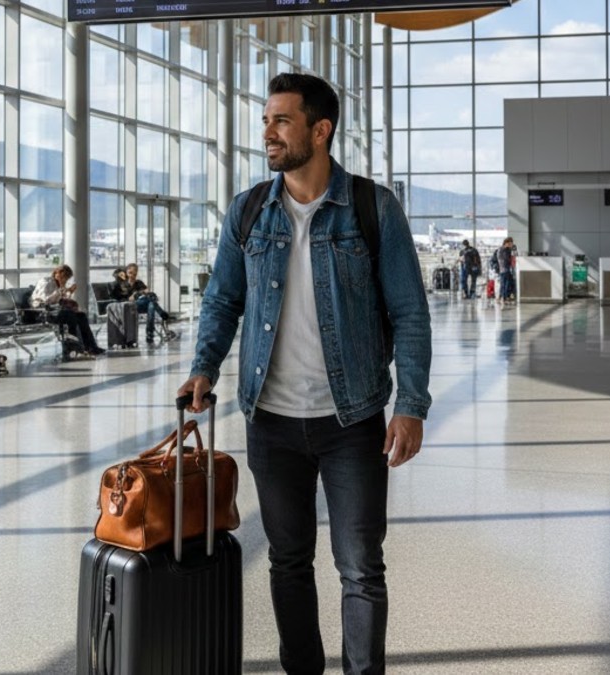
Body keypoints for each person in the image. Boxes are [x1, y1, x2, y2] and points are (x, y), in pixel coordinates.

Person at [177, 72, 432, 675]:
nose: (267, 131)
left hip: (353, 419)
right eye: (266, 119)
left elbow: (409, 312)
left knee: (360, 567)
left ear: (321, 131)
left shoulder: (372, 207)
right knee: (288, 563)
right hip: (270, 419)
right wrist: (203, 368)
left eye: (281, 120)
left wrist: (412, 405)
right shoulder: (248, 212)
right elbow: (221, 300)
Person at [31, 264, 105, 356]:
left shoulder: (58, 284)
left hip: (55, 311)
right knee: (70, 316)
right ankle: (73, 349)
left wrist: (68, 293)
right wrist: (60, 291)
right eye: (64, 277)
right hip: (42, 313)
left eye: (66, 278)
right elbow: (45, 300)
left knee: (81, 316)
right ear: (58, 274)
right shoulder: (46, 282)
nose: (65, 280)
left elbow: (57, 301)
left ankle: (91, 347)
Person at [110, 262, 178, 344]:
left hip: (141, 305)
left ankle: (150, 333)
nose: (132, 276)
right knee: (150, 302)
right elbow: (122, 299)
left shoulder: (138, 282)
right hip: (129, 306)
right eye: (130, 273)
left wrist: (141, 293)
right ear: (126, 272)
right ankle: (158, 322)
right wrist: (134, 296)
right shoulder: (122, 284)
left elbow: (147, 291)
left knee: (151, 305)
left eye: (134, 274)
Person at [497, 237, 517, 307]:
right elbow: (506, 259)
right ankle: (504, 298)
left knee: (505, 284)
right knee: (505, 284)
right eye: (511, 243)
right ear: (507, 243)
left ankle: (501, 297)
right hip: (504, 269)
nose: (512, 245)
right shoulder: (503, 250)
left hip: (505, 269)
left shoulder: (505, 249)